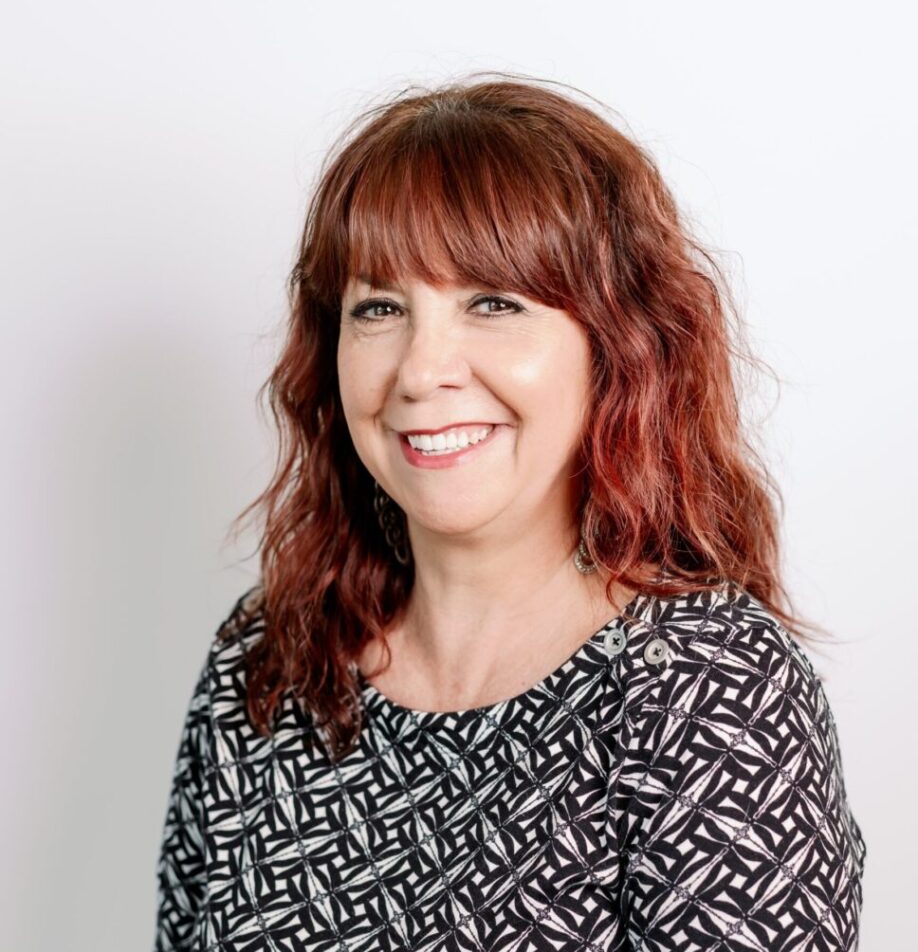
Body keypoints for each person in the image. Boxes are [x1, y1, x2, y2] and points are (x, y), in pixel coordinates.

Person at [152, 74, 867, 951]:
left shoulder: (707, 689)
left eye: (493, 303)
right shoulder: (267, 664)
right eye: (379, 308)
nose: (421, 370)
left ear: (619, 347)